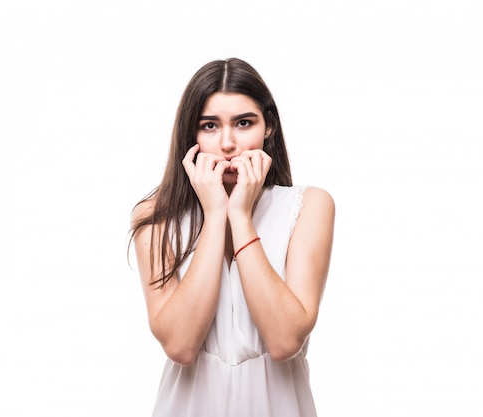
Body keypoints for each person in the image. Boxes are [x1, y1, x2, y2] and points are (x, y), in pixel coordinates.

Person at [128, 58, 335, 417]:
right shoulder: (154, 217)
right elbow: (180, 345)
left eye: (243, 123)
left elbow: (285, 339)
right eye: (209, 125)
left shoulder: (310, 206)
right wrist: (214, 214)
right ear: (189, 134)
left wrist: (240, 215)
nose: (228, 143)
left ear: (268, 126)